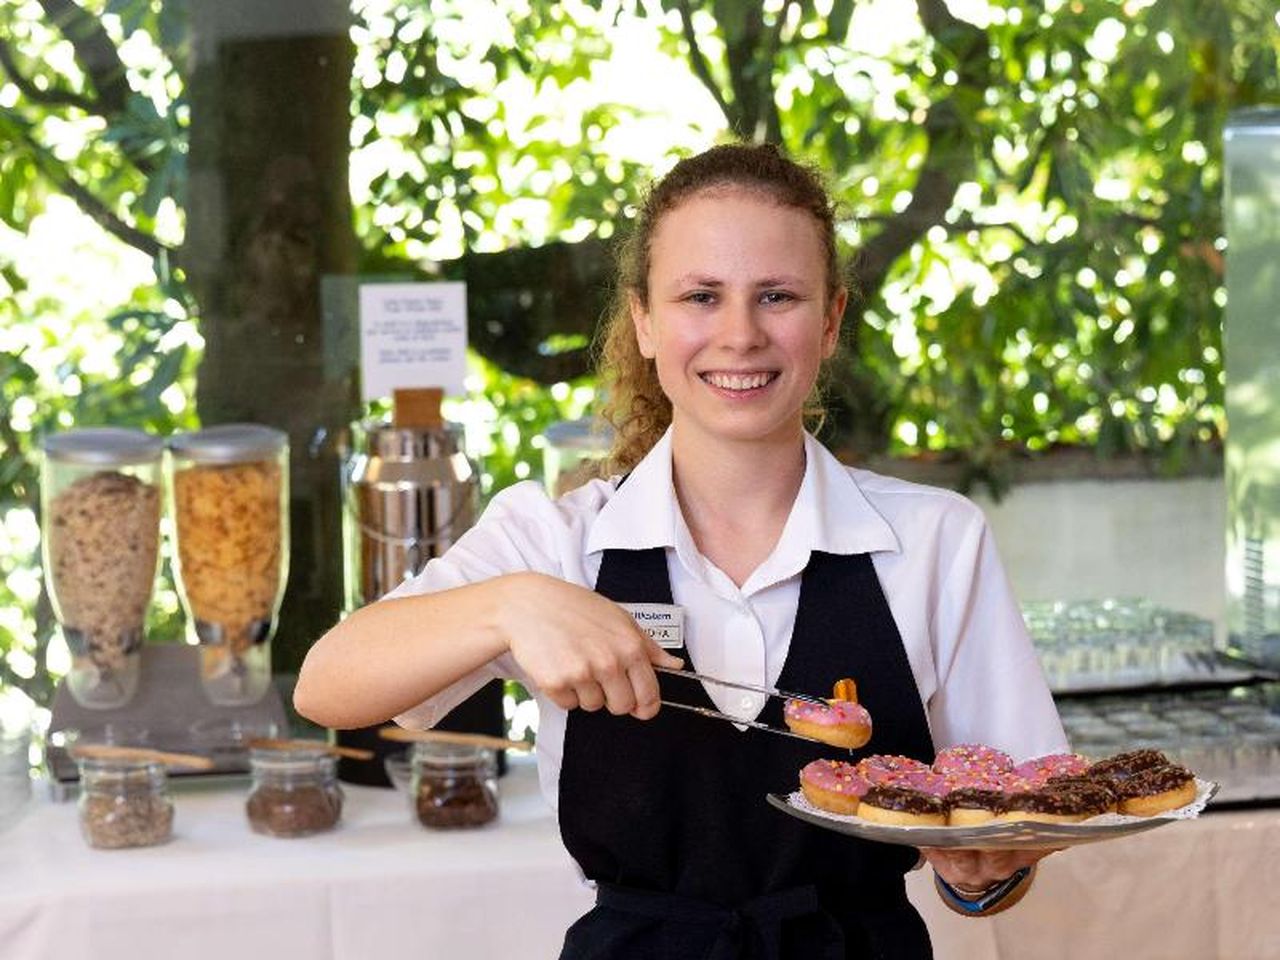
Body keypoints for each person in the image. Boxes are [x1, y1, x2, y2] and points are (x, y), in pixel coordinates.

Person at [294, 142, 1069, 958]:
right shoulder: (559, 541)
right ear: (645, 322)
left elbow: (1008, 819)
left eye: (777, 296)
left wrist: (983, 873)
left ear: (832, 320)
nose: (739, 335)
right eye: (702, 296)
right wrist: (509, 604)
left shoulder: (934, 541)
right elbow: (328, 686)